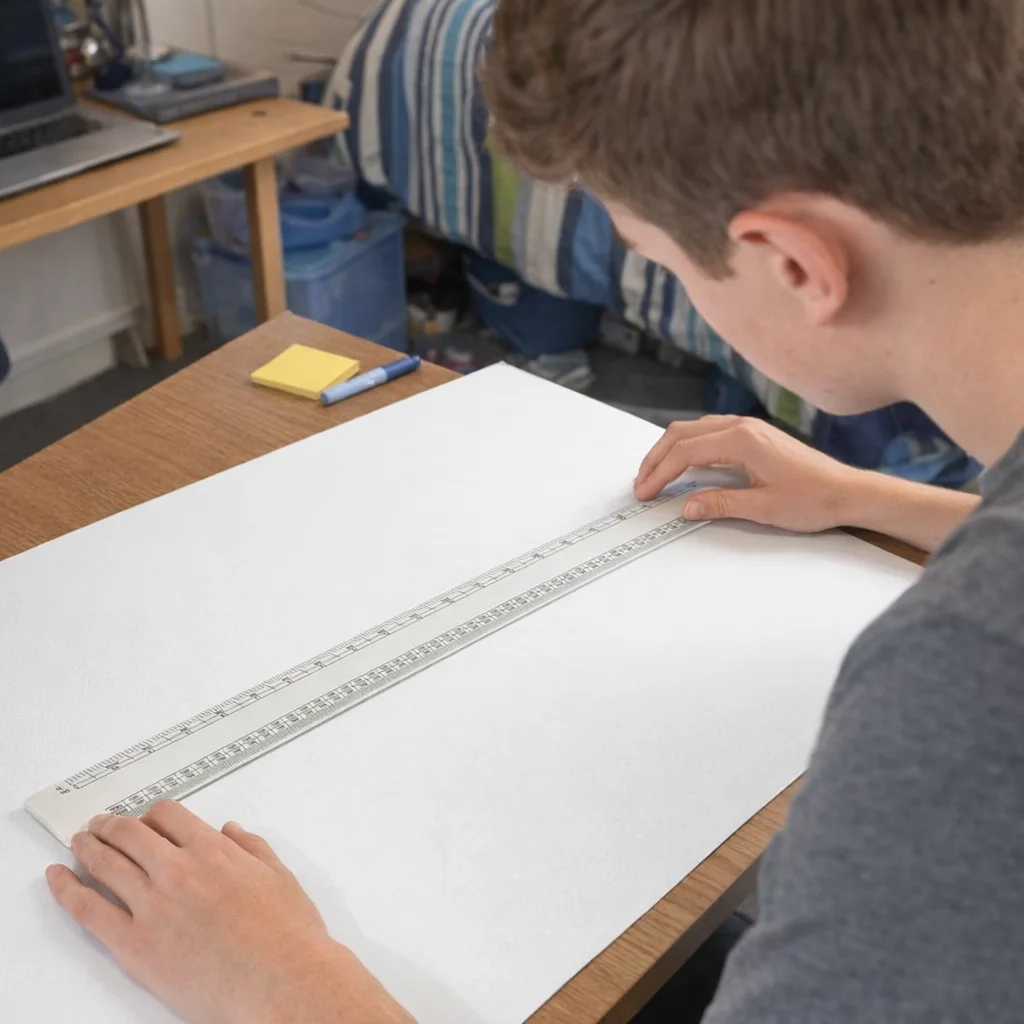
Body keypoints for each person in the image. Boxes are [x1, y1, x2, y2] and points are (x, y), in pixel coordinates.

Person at [45, 1, 1024, 1021]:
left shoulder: (959, 675)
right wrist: (875, 498)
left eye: (661, 260)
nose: (664, 277)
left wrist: (284, 984)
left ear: (793, 263)